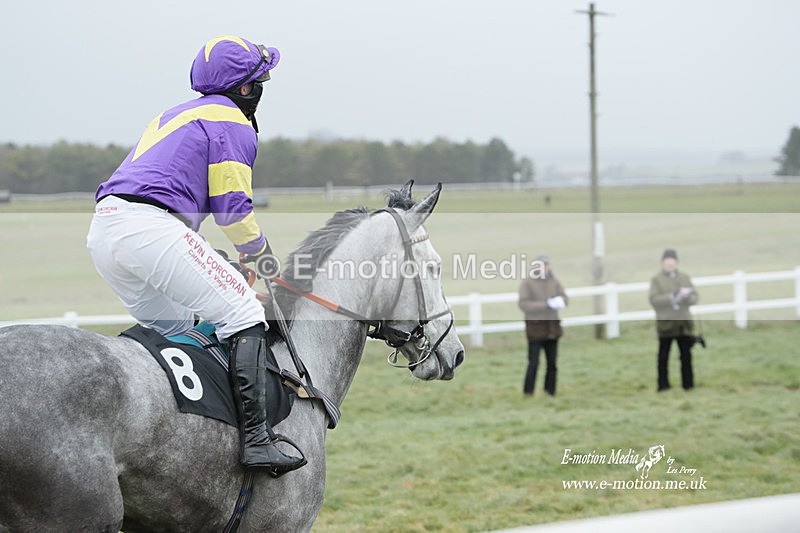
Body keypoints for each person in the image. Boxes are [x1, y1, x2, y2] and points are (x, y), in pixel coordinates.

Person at [86, 36, 304, 474]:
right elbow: (233, 209)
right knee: (244, 314)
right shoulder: (233, 124)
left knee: (180, 330)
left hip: (105, 231)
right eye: (260, 80)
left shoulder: (173, 114)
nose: (262, 88)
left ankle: (181, 439)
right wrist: (262, 259)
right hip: (151, 229)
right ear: (244, 89)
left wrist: (229, 259)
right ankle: (258, 442)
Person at [518, 254, 568, 396]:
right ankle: (528, 392)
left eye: (546, 265)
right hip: (535, 329)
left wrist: (561, 301)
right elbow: (524, 304)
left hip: (552, 329)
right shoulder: (527, 283)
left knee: (552, 364)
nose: (545, 268)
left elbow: (565, 297)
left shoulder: (554, 281)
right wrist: (545, 305)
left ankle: (550, 391)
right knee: (533, 363)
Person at [648, 249, 698, 392]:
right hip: (666, 324)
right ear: (663, 263)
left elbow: (695, 297)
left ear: (676, 263)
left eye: (672, 262)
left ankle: (688, 384)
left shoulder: (684, 278)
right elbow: (654, 299)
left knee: (686, 355)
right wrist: (672, 297)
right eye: (667, 263)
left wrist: (687, 297)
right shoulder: (657, 280)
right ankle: (663, 385)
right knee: (663, 356)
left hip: (683, 324)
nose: (670, 265)